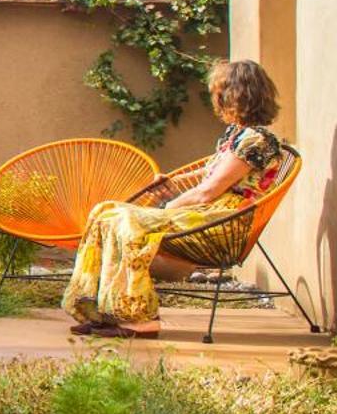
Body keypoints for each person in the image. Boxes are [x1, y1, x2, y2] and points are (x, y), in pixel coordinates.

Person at [61, 59, 287, 338]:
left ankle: (140, 318)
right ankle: (104, 312)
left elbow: (209, 190)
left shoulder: (257, 141)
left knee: (127, 219)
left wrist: (168, 209)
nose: (214, 99)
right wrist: (173, 181)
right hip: (206, 213)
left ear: (236, 95)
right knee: (105, 213)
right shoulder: (237, 135)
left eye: (219, 92)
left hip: (221, 221)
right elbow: (214, 171)